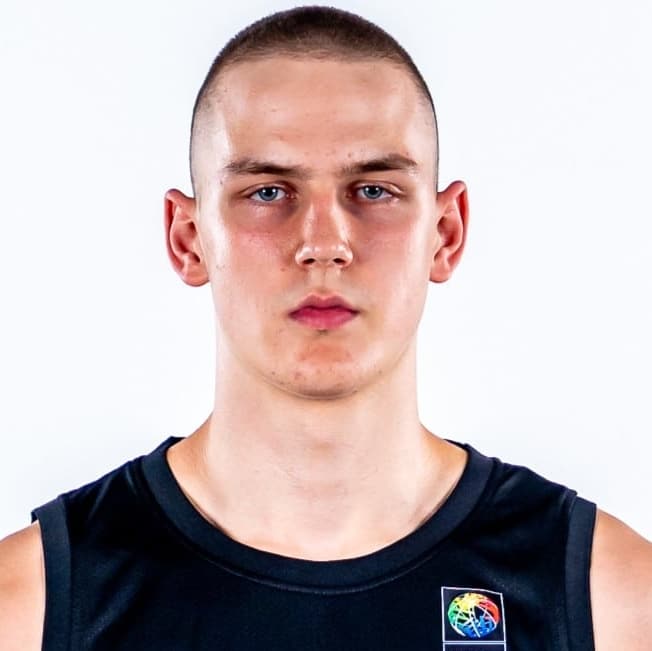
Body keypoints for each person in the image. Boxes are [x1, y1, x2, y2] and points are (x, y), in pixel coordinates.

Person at [1, 6, 650, 650]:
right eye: (268, 192)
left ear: (445, 234)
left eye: (373, 190)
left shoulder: (613, 602)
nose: (323, 244)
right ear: (189, 238)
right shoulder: (31, 608)